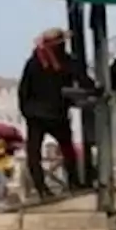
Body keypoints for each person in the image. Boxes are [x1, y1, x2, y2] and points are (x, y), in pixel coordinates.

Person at [17, 27, 86, 198]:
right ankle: (74, 183)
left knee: (34, 153)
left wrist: (27, 112)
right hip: (55, 114)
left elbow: (23, 90)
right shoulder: (66, 61)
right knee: (67, 150)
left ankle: (42, 189)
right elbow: (82, 79)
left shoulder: (33, 62)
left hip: (36, 115)